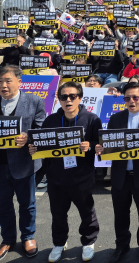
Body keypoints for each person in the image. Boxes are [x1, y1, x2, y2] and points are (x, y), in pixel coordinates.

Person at [0, 65, 46, 263]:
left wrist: (28, 137)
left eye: (7, 81)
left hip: (23, 164)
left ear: (19, 82)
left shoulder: (34, 101)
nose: (3, 85)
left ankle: (28, 237)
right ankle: (7, 240)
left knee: (27, 204)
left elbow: (41, 130)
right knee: (2, 205)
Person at [28, 82, 101, 263]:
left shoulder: (92, 119)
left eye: (72, 96)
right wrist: (34, 149)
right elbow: (41, 146)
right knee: (58, 214)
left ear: (80, 98)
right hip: (57, 178)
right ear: (58, 99)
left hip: (82, 177)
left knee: (87, 212)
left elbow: (101, 146)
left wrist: (90, 146)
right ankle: (59, 243)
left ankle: (88, 241)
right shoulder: (50, 120)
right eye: (63, 97)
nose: (68, 100)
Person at [95, 82, 139, 263]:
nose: (131, 101)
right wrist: (101, 149)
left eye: (135, 97)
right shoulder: (116, 119)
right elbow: (108, 146)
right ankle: (121, 245)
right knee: (121, 214)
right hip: (120, 176)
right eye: (127, 98)